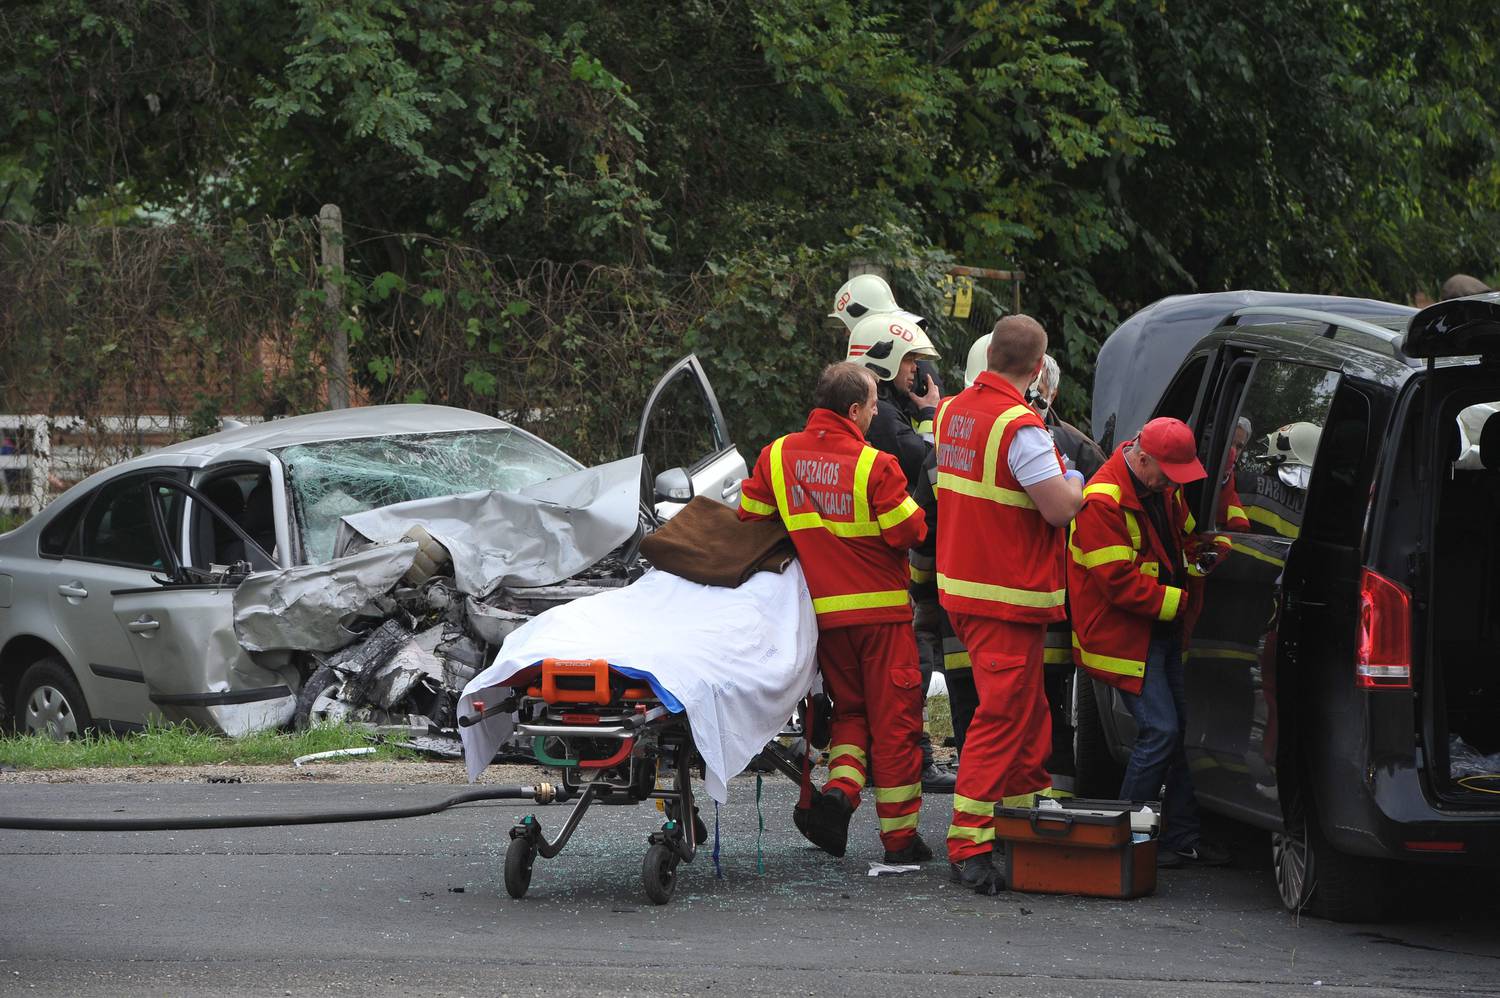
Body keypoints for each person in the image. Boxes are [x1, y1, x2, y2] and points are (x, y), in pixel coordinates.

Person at [738, 362, 933, 863]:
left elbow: (751, 523)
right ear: (853, 409)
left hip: (823, 622)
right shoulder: (876, 465)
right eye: (872, 406)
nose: (874, 414)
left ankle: (839, 795)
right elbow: (911, 532)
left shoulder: (776, 456)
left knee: (851, 714)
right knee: (896, 726)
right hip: (882, 621)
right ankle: (900, 841)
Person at [935, 315, 1085, 893]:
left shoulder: (950, 411)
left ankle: (1018, 819)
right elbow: (1059, 508)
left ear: (991, 353)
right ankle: (970, 841)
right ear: (1038, 368)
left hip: (968, 588)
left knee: (1025, 712)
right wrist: (1072, 475)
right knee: (1002, 717)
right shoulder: (1020, 427)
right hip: (1005, 594)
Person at [1067, 417, 1232, 868]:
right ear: (1142, 458)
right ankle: (1122, 843)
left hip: (1156, 631)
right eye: (1167, 474)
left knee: (1175, 734)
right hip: (1122, 636)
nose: (1173, 484)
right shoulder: (1102, 501)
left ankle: (1179, 838)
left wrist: (1203, 553)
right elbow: (1117, 584)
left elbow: (1182, 537)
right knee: (1160, 730)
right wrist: (1180, 601)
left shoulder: (1162, 482)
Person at [844, 308, 956, 793]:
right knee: (917, 660)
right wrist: (933, 413)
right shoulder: (885, 418)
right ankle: (917, 760)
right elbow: (927, 459)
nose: (918, 371)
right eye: (911, 360)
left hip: (873, 568)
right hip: (895, 562)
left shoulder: (886, 409)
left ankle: (893, 758)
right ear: (887, 359)